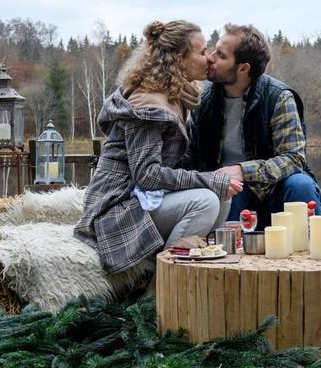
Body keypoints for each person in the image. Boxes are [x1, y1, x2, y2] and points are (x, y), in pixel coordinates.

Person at [75, 20, 243, 276]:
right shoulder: (149, 104)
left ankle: (195, 272)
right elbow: (147, 175)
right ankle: (160, 286)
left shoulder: (174, 96)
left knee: (221, 196)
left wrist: (214, 180)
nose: (209, 59)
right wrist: (208, 179)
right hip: (116, 206)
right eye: (201, 52)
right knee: (207, 201)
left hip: (142, 198)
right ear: (179, 59)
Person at [185, 23, 321, 227]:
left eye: (221, 56)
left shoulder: (278, 97)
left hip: (274, 189)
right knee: (225, 193)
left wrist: (242, 170)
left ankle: (305, 252)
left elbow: (293, 159)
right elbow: (191, 158)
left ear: (243, 68)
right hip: (228, 190)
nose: (210, 58)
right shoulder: (203, 101)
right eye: (214, 50)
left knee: (300, 184)